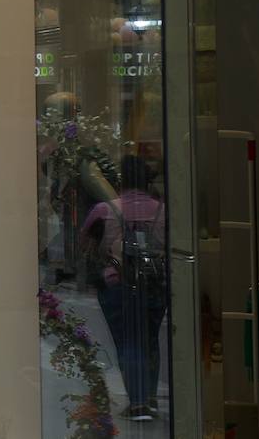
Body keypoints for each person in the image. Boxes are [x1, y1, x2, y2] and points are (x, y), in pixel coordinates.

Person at [81, 155, 168, 421]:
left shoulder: (105, 209)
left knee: (128, 341)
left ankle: (138, 403)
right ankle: (150, 398)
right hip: (155, 284)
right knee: (150, 339)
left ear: (121, 181)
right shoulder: (163, 211)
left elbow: (84, 241)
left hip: (117, 285)